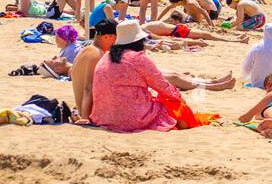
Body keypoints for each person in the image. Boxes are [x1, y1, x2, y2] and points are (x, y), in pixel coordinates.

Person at [72, 19, 234, 121]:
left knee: (172, 76)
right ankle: (214, 85)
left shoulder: (102, 55)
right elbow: (88, 89)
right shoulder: (97, 55)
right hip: (115, 114)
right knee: (172, 92)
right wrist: (85, 118)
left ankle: (213, 83)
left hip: (103, 113)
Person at [89, 20, 184, 132]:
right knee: (174, 107)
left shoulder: (106, 57)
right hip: (133, 118)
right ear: (139, 41)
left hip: (103, 117)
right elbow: (161, 85)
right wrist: (179, 97)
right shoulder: (138, 58)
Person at [145, 13, 248, 43]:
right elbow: (160, 38)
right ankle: (236, 40)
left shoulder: (140, 29)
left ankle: (236, 38)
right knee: (207, 35)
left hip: (176, 29)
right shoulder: (143, 31)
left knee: (207, 35)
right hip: (177, 31)